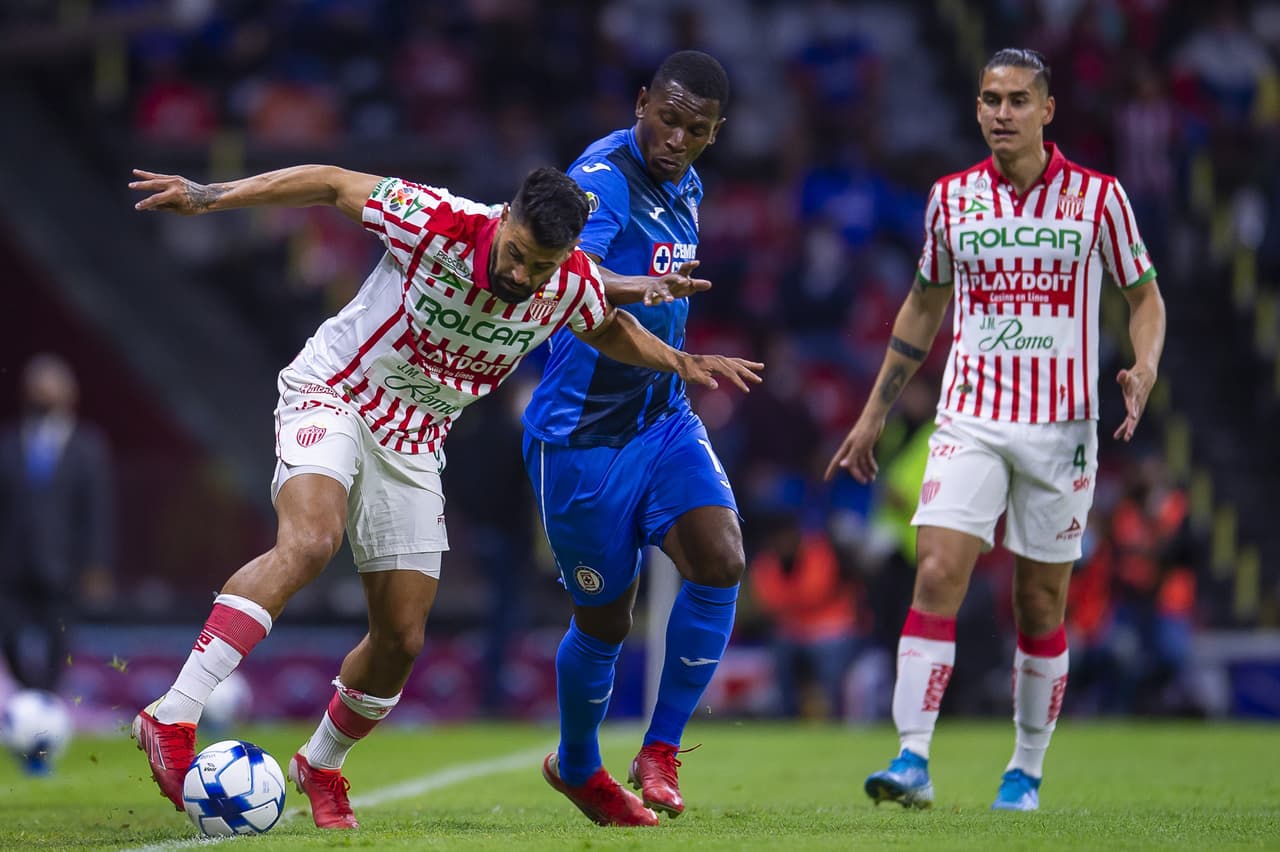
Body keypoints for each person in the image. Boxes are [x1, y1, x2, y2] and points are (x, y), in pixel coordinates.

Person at [126, 163, 762, 829]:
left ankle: (320, 763)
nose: (521, 276)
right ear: (504, 217)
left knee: (400, 638)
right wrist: (211, 195)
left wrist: (678, 361)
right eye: (516, 254)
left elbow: (601, 324)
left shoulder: (567, 280)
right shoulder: (437, 221)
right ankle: (173, 712)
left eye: (540, 267)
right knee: (313, 541)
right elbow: (327, 180)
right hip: (336, 392)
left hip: (416, 438)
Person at [825, 48, 1166, 812]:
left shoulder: (1099, 198)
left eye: (1017, 100)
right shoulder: (950, 200)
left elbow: (1145, 296)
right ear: (976, 108)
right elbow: (922, 302)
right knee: (938, 567)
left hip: (1062, 427)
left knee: (1040, 605)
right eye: (989, 99)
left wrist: (1143, 369)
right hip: (970, 415)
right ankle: (911, 759)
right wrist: (875, 411)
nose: (1001, 113)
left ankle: (1026, 770)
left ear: (1047, 110)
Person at [520, 50, 739, 826]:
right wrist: (631, 286)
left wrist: (675, 354)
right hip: (581, 438)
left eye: (695, 129)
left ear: (714, 134)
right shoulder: (603, 179)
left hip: (661, 414)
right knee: (606, 621)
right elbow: (561, 266)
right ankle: (578, 764)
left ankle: (661, 749)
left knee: (721, 559)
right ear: (642, 102)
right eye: (667, 118)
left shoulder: (688, 183)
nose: (676, 138)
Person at [0, 355, 114, 705]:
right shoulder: (9, 442)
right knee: (7, 634)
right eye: (37, 385)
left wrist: (97, 566)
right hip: (12, 566)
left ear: (70, 393)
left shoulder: (88, 446)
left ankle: (45, 702)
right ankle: (28, 695)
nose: (42, 392)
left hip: (63, 566)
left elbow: (98, 512)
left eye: (51, 385)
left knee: (59, 639)